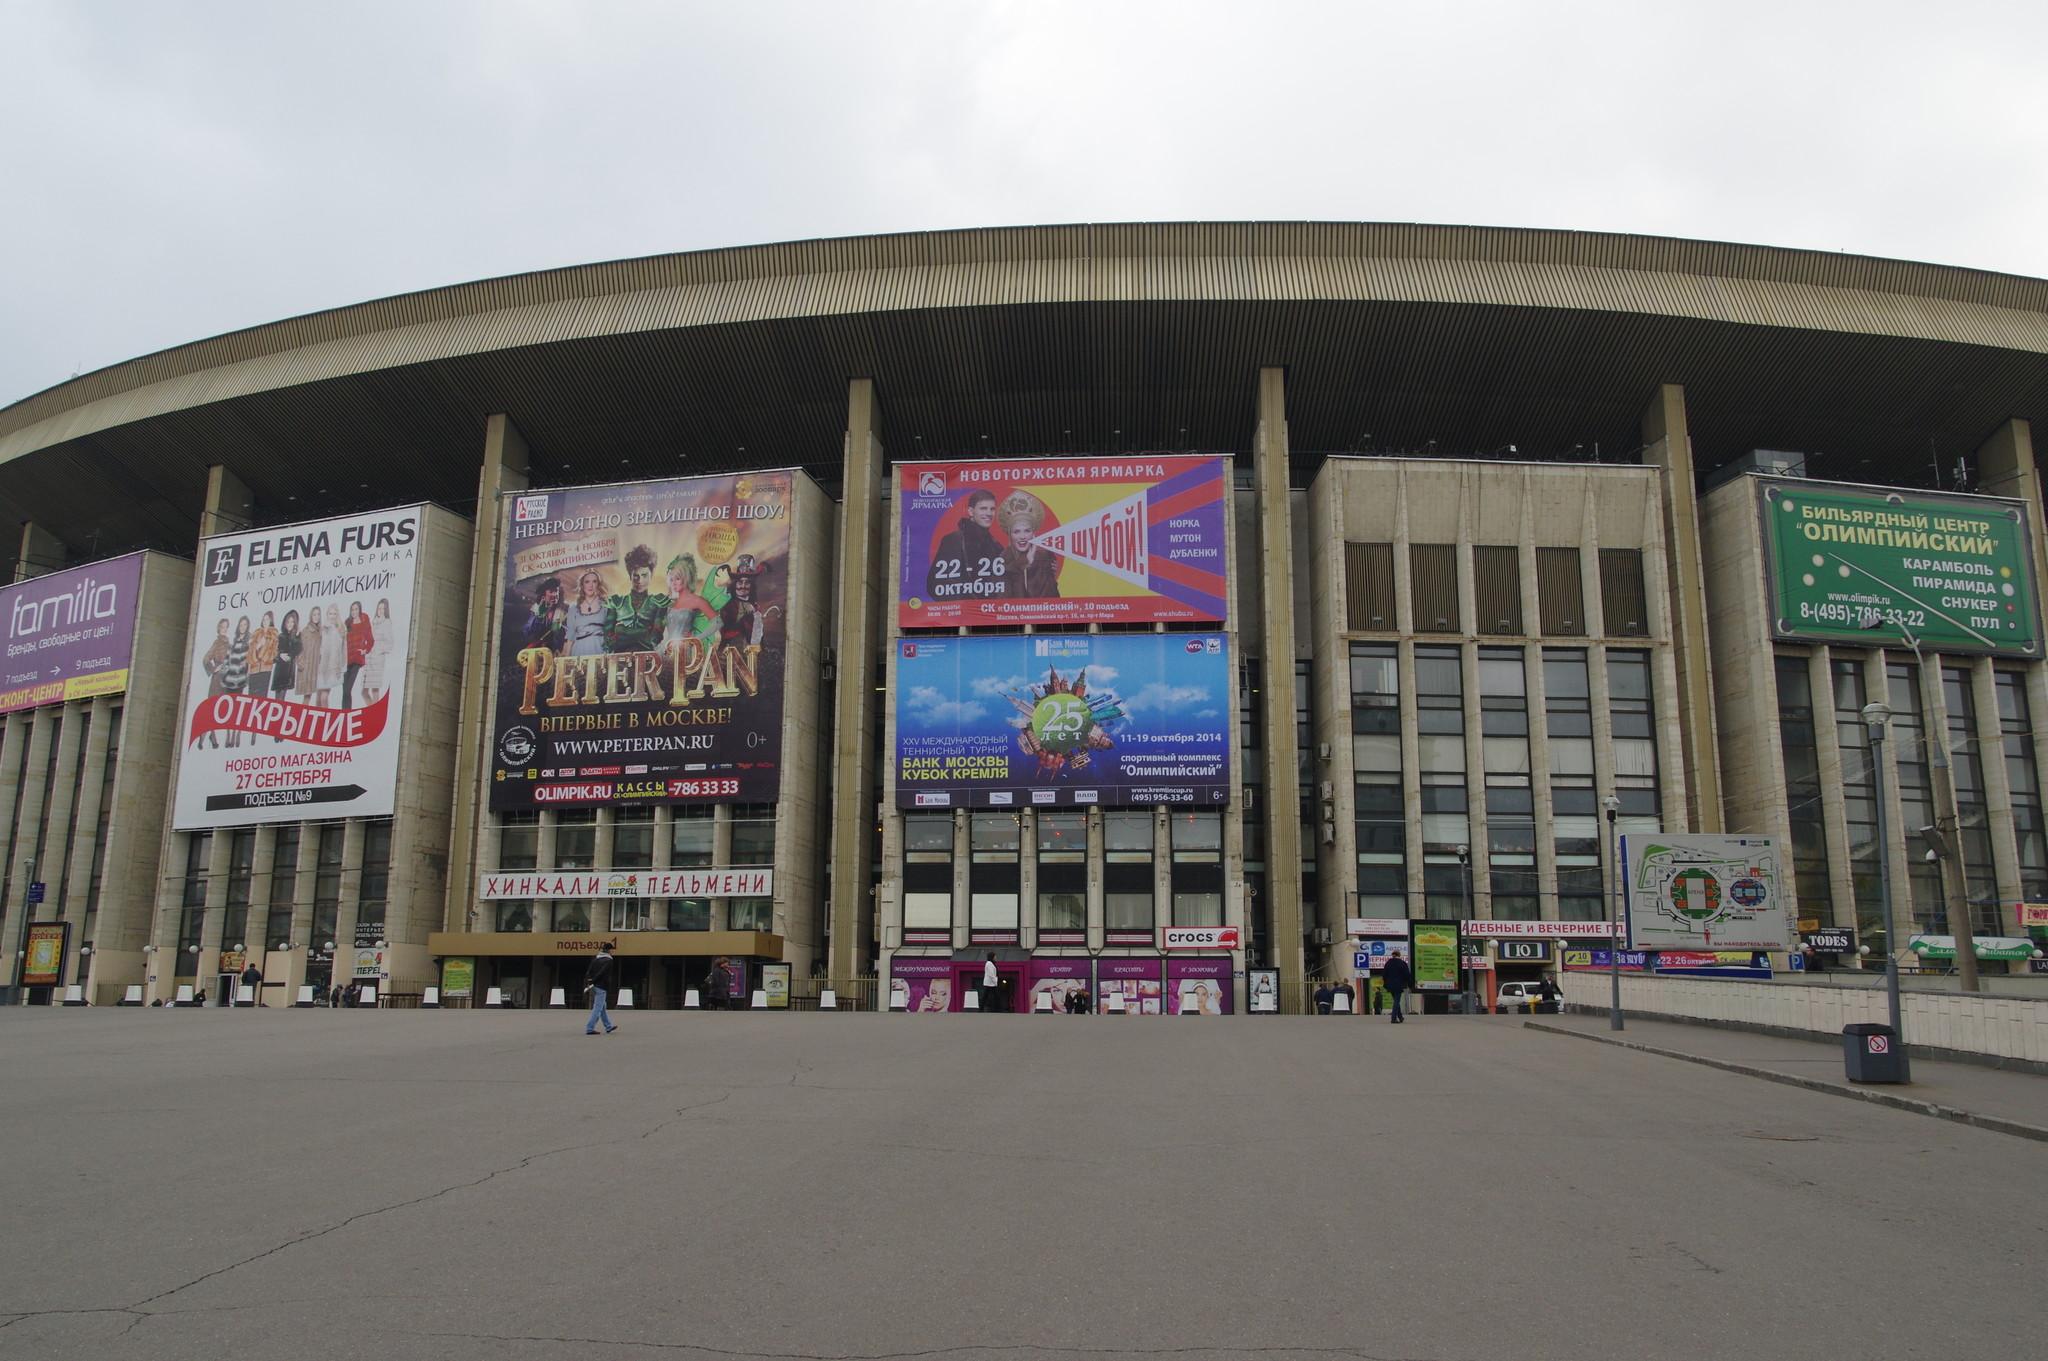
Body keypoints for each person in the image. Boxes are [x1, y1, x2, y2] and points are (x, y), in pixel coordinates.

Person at [925, 489, 1006, 600]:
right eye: (983, 508)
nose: (988, 513)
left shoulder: (996, 546)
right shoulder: (954, 540)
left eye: (992, 509)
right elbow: (934, 585)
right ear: (971, 512)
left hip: (988, 613)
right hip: (964, 614)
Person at [604, 544, 667, 653]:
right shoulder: (616, 602)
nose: (640, 581)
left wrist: (622, 631)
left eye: (644, 575)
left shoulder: (659, 602)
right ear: (630, 575)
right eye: (636, 576)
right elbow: (608, 639)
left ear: (651, 575)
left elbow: (655, 638)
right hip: (620, 660)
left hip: (647, 660)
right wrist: (644, 632)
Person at [1002, 498, 1061, 598]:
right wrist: (1027, 565)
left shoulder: (1045, 557)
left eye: (1027, 531)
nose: (1022, 536)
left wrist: (1033, 564)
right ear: (1010, 535)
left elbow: (1050, 598)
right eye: (1016, 532)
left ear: (1033, 533)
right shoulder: (1003, 559)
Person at [196, 618, 231, 748]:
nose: (225, 629)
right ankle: (213, 737)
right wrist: (213, 669)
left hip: (226, 679)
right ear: (219, 628)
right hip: (217, 681)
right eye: (222, 627)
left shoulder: (229, 643)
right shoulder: (217, 642)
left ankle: (216, 737)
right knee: (214, 709)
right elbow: (206, 658)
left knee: (224, 709)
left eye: (226, 627)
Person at [271, 611, 302, 742]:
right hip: (279, 671)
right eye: (288, 622)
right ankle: (277, 731)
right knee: (278, 701)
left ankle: (278, 732)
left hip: (288, 672)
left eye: (292, 622)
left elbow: (297, 650)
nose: (290, 624)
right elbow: (273, 653)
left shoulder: (295, 638)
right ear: (284, 623)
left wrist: (297, 636)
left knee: (281, 701)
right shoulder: (280, 636)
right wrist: (279, 656)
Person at [221, 616, 252, 747]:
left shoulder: (248, 644)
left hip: (240, 682)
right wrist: (225, 675)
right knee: (230, 710)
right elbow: (226, 662)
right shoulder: (232, 644)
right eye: (241, 625)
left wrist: (246, 675)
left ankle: (236, 735)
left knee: (238, 710)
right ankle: (228, 736)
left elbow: (249, 662)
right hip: (229, 681)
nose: (242, 627)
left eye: (245, 625)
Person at [567, 570, 609, 657]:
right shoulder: (573, 608)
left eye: (594, 581)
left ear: (598, 584)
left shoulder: (606, 605)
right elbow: (570, 636)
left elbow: (610, 633)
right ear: (582, 585)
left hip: (600, 649)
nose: (591, 585)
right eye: (587, 582)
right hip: (579, 650)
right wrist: (566, 658)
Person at [522, 577, 568, 652]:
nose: (555, 594)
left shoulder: (563, 610)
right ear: (544, 594)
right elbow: (527, 632)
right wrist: (540, 615)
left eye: (556, 591)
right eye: (551, 591)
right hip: (537, 651)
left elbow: (570, 632)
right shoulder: (536, 609)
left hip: (557, 651)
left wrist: (560, 628)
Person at [342, 602, 374, 709]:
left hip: (356, 659)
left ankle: (346, 712)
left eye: (356, 609)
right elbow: (342, 639)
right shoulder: (347, 622)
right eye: (352, 610)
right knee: (345, 690)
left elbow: (370, 639)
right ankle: (345, 712)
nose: (354, 612)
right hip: (346, 659)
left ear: (359, 610)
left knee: (348, 689)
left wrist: (365, 650)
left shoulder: (364, 621)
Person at [362, 599, 393, 703]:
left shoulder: (387, 623)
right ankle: (372, 713)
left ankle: (374, 715)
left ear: (386, 610)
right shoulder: (373, 622)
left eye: (383, 609)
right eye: (379, 608)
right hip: (368, 659)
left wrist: (378, 650)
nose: (380, 610)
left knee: (375, 690)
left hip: (377, 660)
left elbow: (390, 643)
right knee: (364, 692)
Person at [584, 942, 619, 1034]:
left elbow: (589, 971)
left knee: (602, 1006)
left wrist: (590, 981)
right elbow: (603, 972)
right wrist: (595, 980)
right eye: (612, 950)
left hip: (595, 985)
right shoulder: (609, 960)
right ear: (609, 950)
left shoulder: (596, 958)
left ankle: (608, 1026)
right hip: (602, 985)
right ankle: (590, 1028)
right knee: (598, 1008)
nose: (613, 951)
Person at [247, 611, 278, 702]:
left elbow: (275, 653)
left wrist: (264, 655)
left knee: (262, 698)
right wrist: (258, 646)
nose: (265, 621)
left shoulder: (274, 635)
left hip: (265, 669)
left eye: (267, 619)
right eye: (263, 619)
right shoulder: (256, 634)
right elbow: (249, 654)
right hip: (254, 669)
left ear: (271, 621)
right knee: (251, 698)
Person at [318, 605, 344, 705]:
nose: (332, 616)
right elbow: (320, 647)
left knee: (323, 695)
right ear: (327, 614)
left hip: (333, 666)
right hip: (323, 666)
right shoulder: (324, 628)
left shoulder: (340, 629)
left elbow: (341, 650)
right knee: (322, 696)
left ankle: (322, 717)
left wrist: (340, 667)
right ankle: (323, 717)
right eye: (330, 613)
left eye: (334, 614)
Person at [298, 610, 324, 706]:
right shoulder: (306, 631)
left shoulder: (320, 630)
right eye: (314, 614)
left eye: (318, 614)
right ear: (311, 616)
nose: (316, 616)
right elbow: (301, 649)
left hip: (318, 665)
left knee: (319, 694)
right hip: (309, 666)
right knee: (307, 695)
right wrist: (301, 663)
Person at [1381, 949, 1414, 1024]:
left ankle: (1400, 1017)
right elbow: (1407, 975)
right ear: (1399, 955)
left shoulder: (1388, 963)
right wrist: (1410, 984)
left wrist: (1386, 983)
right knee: (1396, 1001)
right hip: (1399, 985)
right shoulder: (1402, 963)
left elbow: (1384, 975)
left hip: (1390, 985)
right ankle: (1393, 1018)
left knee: (1396, 1000)